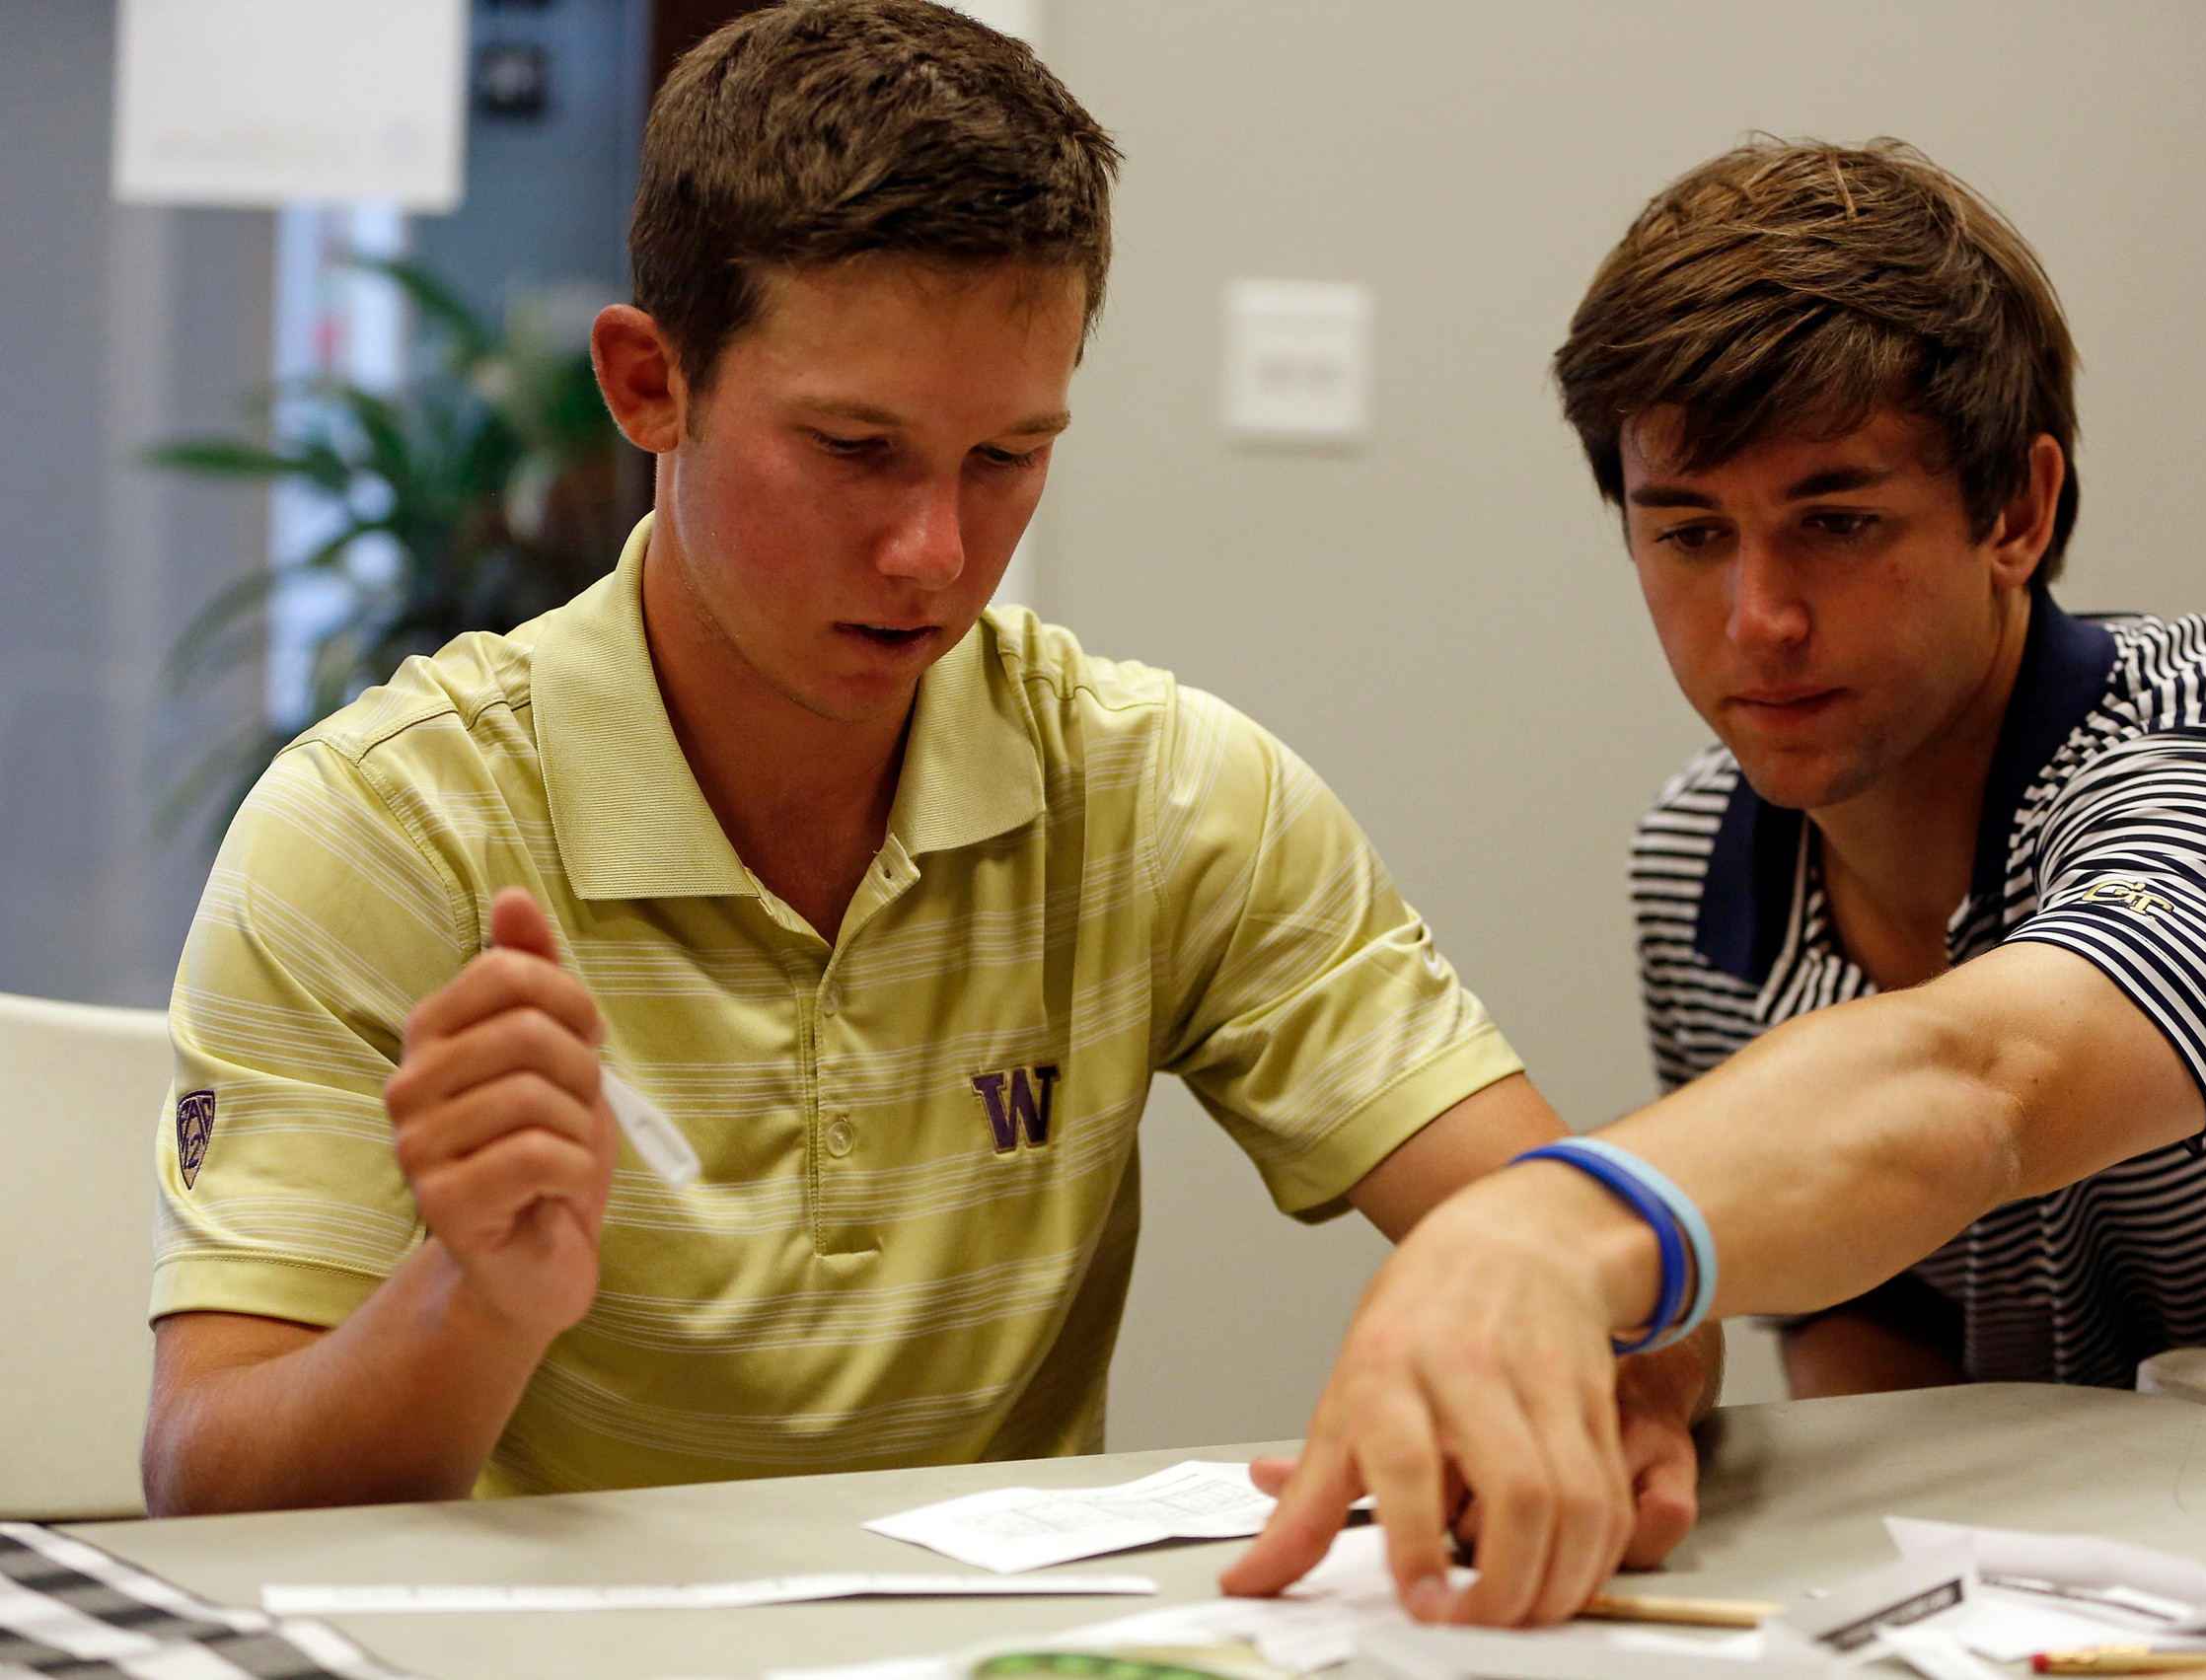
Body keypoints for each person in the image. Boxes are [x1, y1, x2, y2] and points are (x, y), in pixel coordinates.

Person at [141, 0, 1678, 1518]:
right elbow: (208, 1484)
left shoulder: (1160, 796)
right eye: (854, 450)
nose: (935, 555)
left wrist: (1574, 1318)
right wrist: (473, 1301)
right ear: (647, 385)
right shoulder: (386, 822)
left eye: (1009, 457)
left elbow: (1624, 1287)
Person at [1223, 137, 2206, 1625]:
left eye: (1837, 521)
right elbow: (1866, 1311)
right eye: (1688, 533)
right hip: (2154, 1591)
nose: (1758, 621)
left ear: (2017, 511)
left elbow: (1985, 1079)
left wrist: (1554, 1222)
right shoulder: (1699, 849)